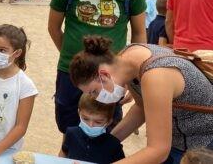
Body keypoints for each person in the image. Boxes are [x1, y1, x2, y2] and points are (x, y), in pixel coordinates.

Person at [48, 0, 146, 136]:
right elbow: (54, 28)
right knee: (69, 129)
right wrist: (74, 59)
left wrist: (130, 76)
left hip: (111, 76)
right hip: (70, 73)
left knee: (106, 128)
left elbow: (139, 36)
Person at [69, 36, 213, 163]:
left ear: (104, 75)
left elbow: (158, 151)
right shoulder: (128, 59)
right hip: (180, 137)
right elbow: (141, 108)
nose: (96, 98)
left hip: (203, 142)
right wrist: (104, 144)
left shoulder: (155, 76)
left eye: (94, 91)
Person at [0, 25, 38, 163]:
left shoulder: (26, 86)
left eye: (2, 50)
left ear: (17, 53)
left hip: (7, 150)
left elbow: (21, 127)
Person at [60, 93, 125, 163]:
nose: (90, 125)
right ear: (79, 113)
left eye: (98, 122)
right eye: (85, 119)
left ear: (109, 122)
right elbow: (63, 153)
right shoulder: (71, 133)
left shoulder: (114, 146)